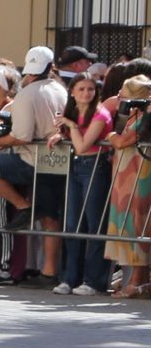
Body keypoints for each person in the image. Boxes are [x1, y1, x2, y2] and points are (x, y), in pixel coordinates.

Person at [0, 46, 70, 282]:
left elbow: (21, 136)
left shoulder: (27, 94)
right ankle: (49, 272)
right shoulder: (61, 89)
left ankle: (24, 207)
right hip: (58, 157)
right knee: (51, 219)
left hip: (30, 157)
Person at [52, 70, 115, 295]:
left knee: (94, 224)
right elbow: (71, 140)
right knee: (72, 224)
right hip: (76, 167)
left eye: (90, 89)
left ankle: (93, 280)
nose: (86, 93)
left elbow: (82, 145)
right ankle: (69, 278)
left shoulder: (100, 114)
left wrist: (72, 127)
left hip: (95, 168)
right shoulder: (72, 112)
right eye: (81, 89)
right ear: (72, 92)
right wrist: (61, 134)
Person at [105, 73, 151, 296]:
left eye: (123, 92)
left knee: (138, 224)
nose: (119, 96)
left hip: (139, 177)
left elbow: (122, 141)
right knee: (125, 223)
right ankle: (129, 276)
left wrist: (112, 135)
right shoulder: (132, 117)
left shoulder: (144, 117)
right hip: (125, 178)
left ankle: (138, 281)